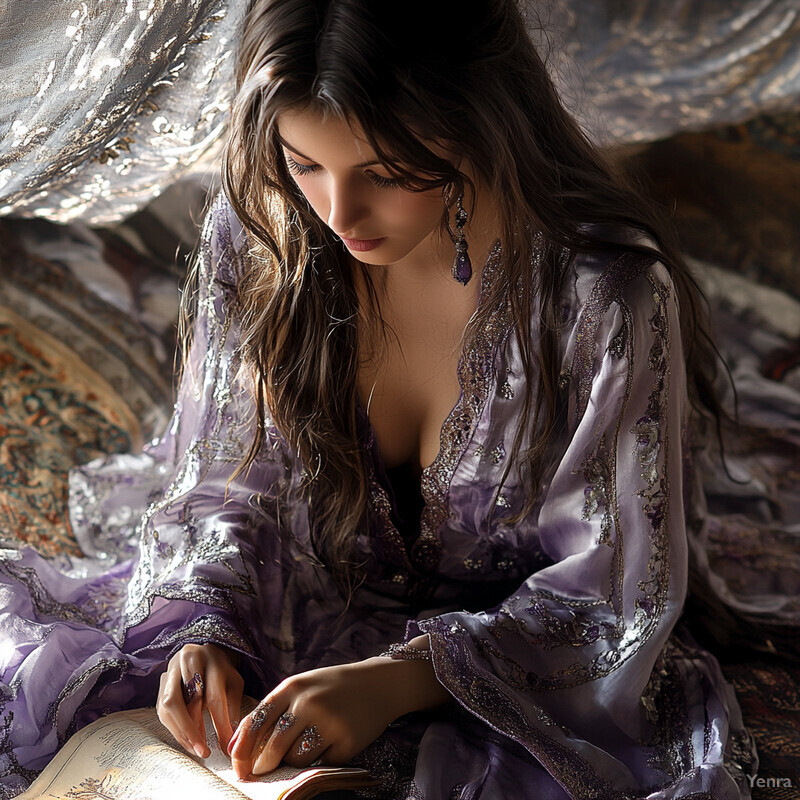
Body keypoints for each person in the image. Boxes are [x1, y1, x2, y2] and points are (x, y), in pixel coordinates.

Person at [0, 1, 764, 798]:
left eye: (388, 175)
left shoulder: (606, 299)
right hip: (294, 606)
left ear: (477, 123)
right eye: (304, 164)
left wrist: (400, 680)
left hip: (506, 669)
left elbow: (612, 587)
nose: (337, 214)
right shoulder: (267, 227)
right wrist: (204, 630)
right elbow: (224, 477)